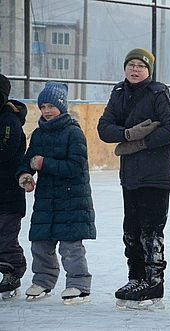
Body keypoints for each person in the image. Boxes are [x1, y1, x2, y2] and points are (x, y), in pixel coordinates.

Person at [97, 48, 170, 309]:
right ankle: (135, 278)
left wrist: (144, 142)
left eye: (140, 66)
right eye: (131, 65)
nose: (135, 70)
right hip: (130, 175)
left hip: (155, 176)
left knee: (151, 232)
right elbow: (104, 128)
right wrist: (127, 135)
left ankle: (154, 282)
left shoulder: (158, 93)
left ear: (149, 70)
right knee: (131, 232)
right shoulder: (119, 93)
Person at [17, 82, 96, 303]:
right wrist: (25, 175)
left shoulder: (74, 133)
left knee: (71, 246)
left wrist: (44, 164)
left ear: (62, 106)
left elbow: (75, 167)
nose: (46, 110)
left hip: (72, 199)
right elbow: (28, 160)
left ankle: (78, 284)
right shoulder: (39, 134)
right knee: (40, 243)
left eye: (51, 105)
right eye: (42, 106)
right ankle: (43, 280)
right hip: (45, 199)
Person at [0, 74, 28, 299]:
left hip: (8, 192)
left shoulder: (10, 120)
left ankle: (13, 271)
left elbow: (6, 152)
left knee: (6, 236)